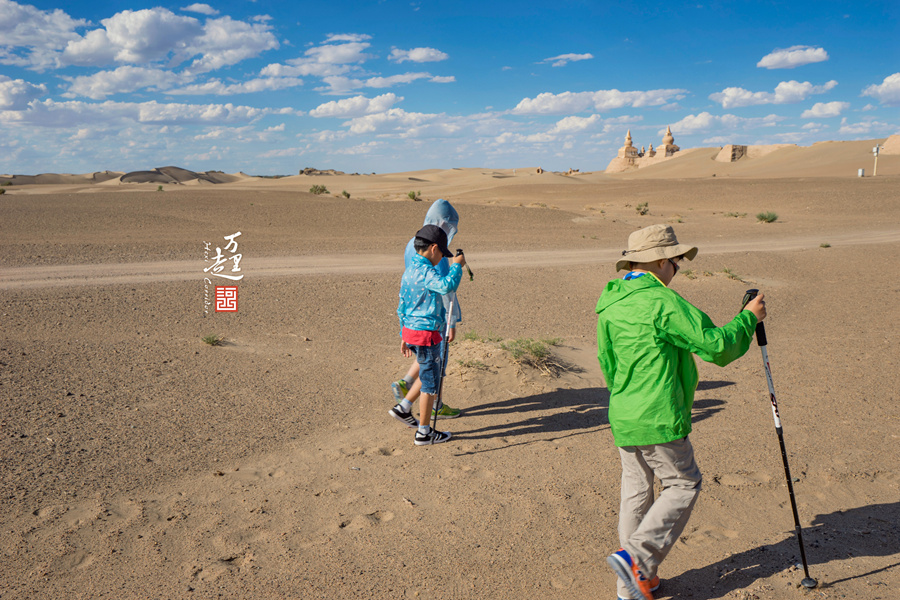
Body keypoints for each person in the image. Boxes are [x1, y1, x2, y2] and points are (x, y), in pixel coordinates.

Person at [595, 224, 767, 600]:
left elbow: (606, 362)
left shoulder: (610, 302)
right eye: (676, 261)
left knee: (637, 490)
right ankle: (637, 559)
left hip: (623, 412)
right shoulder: (663, 302)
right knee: (683, 483)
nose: (677, 268)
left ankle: (633, 584)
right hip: (658, 413)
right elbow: (716, 347)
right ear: (660, 262)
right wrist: (748, 318)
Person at [391, 224, 466, 445]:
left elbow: (402, 305)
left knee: (427, 376)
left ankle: (404, 408)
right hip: (427, 335)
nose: (442, 257)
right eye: (442, 253)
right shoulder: (426, 272)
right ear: (433, 248)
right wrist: (457, 267)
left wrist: (403, 334)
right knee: (430, 384)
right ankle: (424, 432)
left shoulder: (410, 270)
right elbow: (446, 286)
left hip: (412, 332)